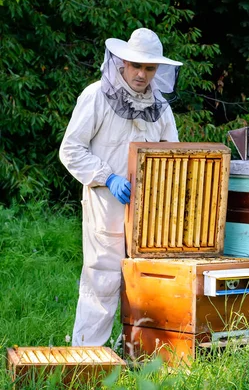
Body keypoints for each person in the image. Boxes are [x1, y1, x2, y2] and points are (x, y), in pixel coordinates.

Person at [59, 28, 182, 346]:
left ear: (158, 70)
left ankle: (141, 355)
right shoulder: (95, 96)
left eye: (150, 68)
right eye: (136, 65)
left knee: (149, 285)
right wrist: (108, 177)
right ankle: (88, 359)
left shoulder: (161, 108)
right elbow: (71, 149)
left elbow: (174, 156)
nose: (142, 74)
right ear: (122, 62)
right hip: (107, 206)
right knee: (102, 282)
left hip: (152, 212)